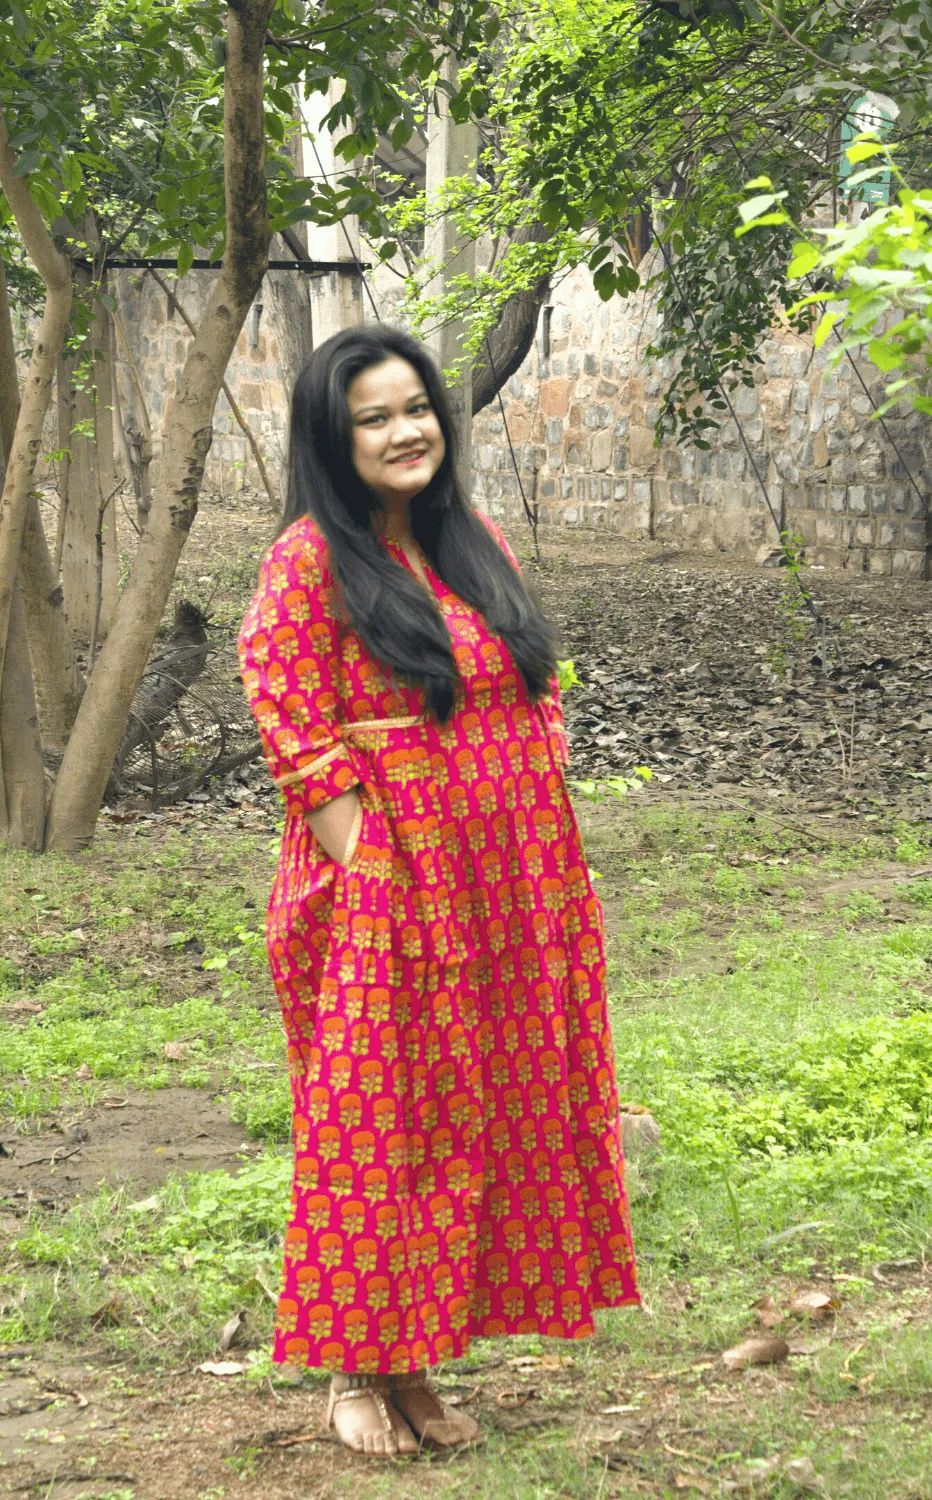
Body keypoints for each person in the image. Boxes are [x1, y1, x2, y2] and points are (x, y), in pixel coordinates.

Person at [237, 327, 640, 1459]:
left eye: (415, 408)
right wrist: (369, 863)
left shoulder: (470, 540)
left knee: (478, 1114)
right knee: (379, 1127)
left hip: (508, 890)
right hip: (385, 895)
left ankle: (416, 1364)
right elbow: (291, 719)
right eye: (374, 417)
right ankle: (354, 1373)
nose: (405, 431)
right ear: (334, 436)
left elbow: (530, 689)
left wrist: (539, 843)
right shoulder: (309, 560)